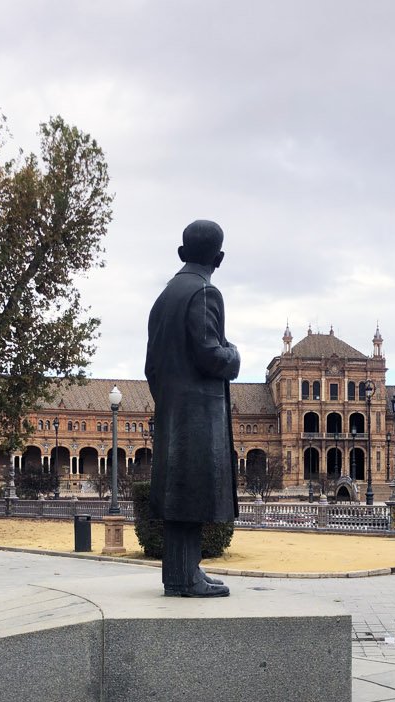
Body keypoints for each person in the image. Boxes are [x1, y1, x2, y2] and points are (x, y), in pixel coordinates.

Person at [146, 220, 241, 599]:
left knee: (178, 493)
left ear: (182, 253)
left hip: (172, 409)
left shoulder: (165, 296)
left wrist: (166, 401)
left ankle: (182, 573)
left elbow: (151, 365)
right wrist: (233, 355)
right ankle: (186, 578)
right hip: (199, 414)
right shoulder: (205, 292)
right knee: (193, 492)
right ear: (219, 258)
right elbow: (211, 356)